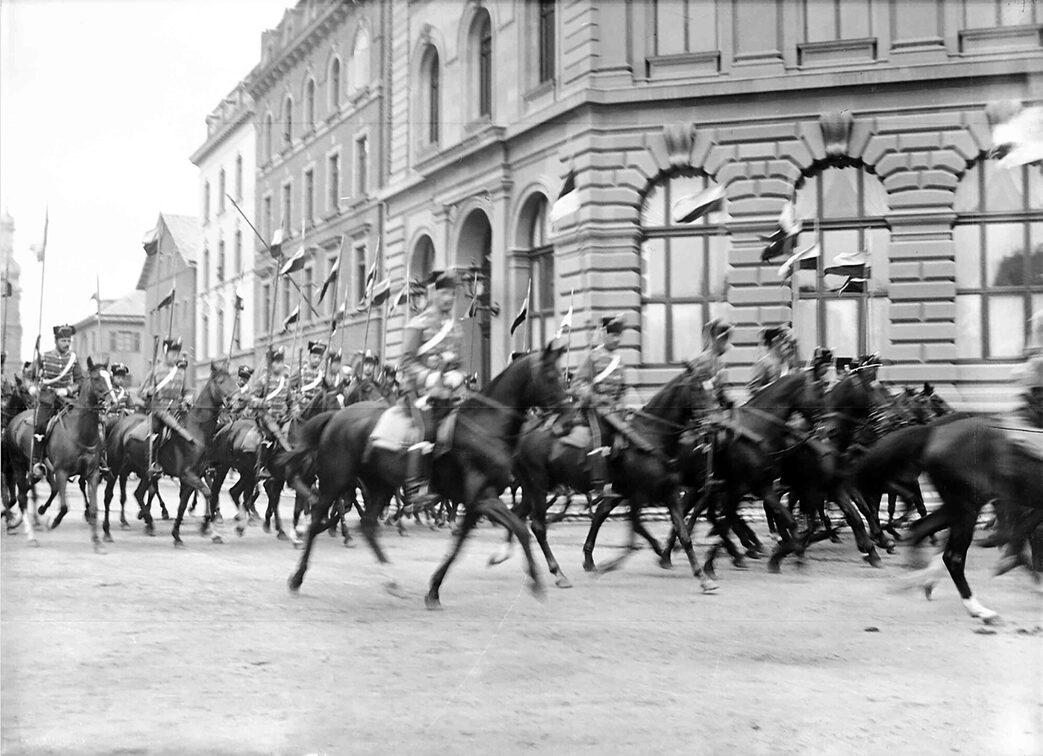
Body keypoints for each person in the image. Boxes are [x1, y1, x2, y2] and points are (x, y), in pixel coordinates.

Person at [380, 270, 464, 505]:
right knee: (425, 429)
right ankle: (415, 487)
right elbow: (405, 361)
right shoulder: (418, 324)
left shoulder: (455, 328)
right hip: (418, 393)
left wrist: (457, 375)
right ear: (434, 294)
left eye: (452, 295)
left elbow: (459, 362)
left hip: (447, 394)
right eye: (445, 293)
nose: (449, 299)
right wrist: (428, 377)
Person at [572, 314, 658, 495]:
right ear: (604, 334)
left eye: (619, 335)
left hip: (616, 410)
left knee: (631, 435)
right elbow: (578, 384)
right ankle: (599, 483)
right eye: (612, 335)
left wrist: (624, 404)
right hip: (595, 409)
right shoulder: (593, 357)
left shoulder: (620, 361)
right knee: (600, 435)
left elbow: (623, 389)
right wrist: (593, 397)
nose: (616, 339)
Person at [29, 324, 85, 480]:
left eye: (68, 340)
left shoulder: (73, 359)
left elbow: (80, 380)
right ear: (56, 341)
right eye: (63, 341)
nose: (67, 344)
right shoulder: (44, 357)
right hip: (47, 399)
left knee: (84, 423)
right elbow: (28, 376)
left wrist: (68, 390)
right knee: (40, 426)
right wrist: (32, 388)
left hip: (66, 400)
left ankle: (87, 460)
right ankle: (37, 462)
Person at [138, 337, 196, 476]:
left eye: (177, 354)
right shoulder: (155, 371)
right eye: (172, 354)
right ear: (165, 353)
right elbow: (141, 392)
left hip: (177, 409)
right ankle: (154, 461)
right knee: (156, 433)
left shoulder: (181, 372)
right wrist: (149, 392)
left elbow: (187, 391)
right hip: (159, 409)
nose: (175, 357)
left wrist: (188, 398)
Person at [249, 347, 293, 464]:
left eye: (281, 362)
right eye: (276, 362)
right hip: (265, 417)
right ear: (270, 364)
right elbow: (251, 399)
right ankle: (263, 463)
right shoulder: (262, 381)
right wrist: (261, 402)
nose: (280, 365)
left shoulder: (285, 383)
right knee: (273, 433)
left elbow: (290, 402)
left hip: (282, 418)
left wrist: (292, 412)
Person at [747, 325, 796, 397]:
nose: (786, 343)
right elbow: (753, 389)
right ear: (775, 342)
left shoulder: (787, 362)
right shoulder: (763, 363)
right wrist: (773, 387)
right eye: (783, 339)